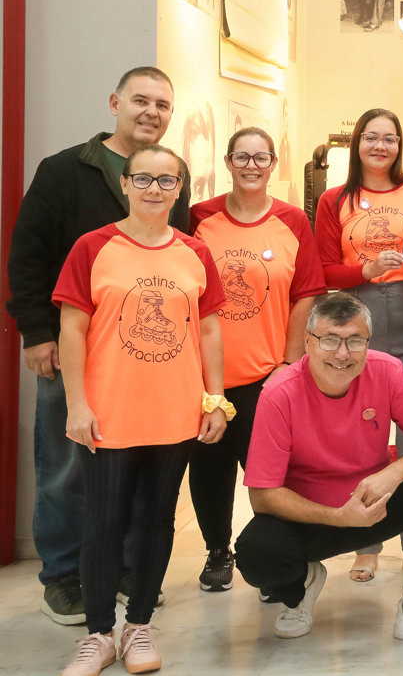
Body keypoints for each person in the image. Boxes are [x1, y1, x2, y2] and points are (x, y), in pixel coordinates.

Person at [6, 66, 188, 626]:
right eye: (140, 100)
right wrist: (35, 331)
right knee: (65, 466)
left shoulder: (168, 174)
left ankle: (127, 568)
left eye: (162, 104)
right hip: (71, 348)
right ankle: (62, 576)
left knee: (129, 466)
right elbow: (28, 254)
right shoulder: (64, 170)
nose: (151, 112)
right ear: (115, 102)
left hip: (140, 360)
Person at [53, 144, 226, 675]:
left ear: (179, 190)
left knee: (156, 520)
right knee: (103, 524)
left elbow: (210, 329)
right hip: (109, 414)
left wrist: (214, 400)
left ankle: (139, 627)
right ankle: (99, 633)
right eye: (144, 179)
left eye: (167, 181)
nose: (155, 189)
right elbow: (72, 329)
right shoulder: (93, 246)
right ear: (125, 184)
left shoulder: (194, 253)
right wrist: (76, 404)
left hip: (174, 413)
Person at [234, 293, 403, 652]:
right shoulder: (278, 393)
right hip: (313, 517)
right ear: (307, 342)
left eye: (355, 341)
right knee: (256, 553)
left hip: (374, 502)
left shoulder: (386, 370)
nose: (342, 354)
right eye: (330, 339)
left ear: (367, 343)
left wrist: (393, 474)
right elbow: (263, 494)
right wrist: (339, 517)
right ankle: (302, 584)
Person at [315, 108, 403, 581]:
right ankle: (366, 540)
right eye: (372, 137)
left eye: (390, 139)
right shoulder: (335, 199)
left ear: (400, 145)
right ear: (357, 143)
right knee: (364, 433)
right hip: (356, 315)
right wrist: (366, 270)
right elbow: (324, 271)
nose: (381, 146)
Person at [188, 127, 325, 592]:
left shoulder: (291, 222)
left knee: (272, 477)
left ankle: (277, 563)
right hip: (207, 377)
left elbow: (305, 295)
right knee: (210, 468)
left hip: (266, 376)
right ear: (228, 162)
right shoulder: (199, 218)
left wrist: (287, 366)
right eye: (242, 157)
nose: (251, 165)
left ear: (272, 165)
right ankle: (217, 551)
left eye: (261, 157)